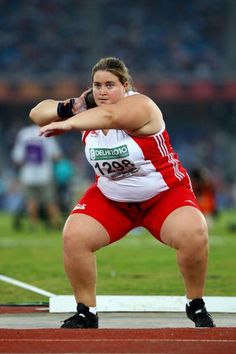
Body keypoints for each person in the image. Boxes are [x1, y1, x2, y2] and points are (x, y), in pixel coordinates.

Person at [29, 57, 215, 328]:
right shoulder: (89, 109)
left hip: (163, 195)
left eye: (110, 85)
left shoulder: (142, 105)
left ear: (125, 85)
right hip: (112, 199)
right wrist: (71, 106)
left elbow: (111, 116)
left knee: (194, 232)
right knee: (74, 235)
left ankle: (195, 304)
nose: (103, 91)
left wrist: (69, 123)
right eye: (97, 86)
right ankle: (86, 311)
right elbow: (37, 113)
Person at [12, 124, 62, 230]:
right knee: (50, 201)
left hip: (28, 175)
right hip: (45, 174)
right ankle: (57, 224)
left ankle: (33, 226)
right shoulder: (47, 131)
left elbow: (18, 158)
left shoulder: (23, 133)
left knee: (31, 201)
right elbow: (56, 155)